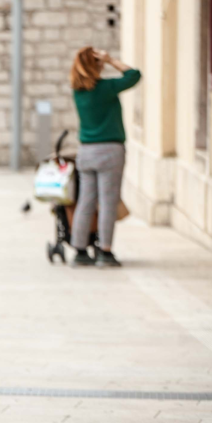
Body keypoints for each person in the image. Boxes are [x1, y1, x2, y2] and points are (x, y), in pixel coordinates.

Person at [69, 46, 141, 268]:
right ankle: (105, 251)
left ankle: (80, 250)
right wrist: (111, 60)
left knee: (86, 201)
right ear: (97, 65)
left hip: (86, 152)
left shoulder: (77, 91)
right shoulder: (106, 88)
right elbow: (134, 75)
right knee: (108, 202)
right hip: (110, 151)